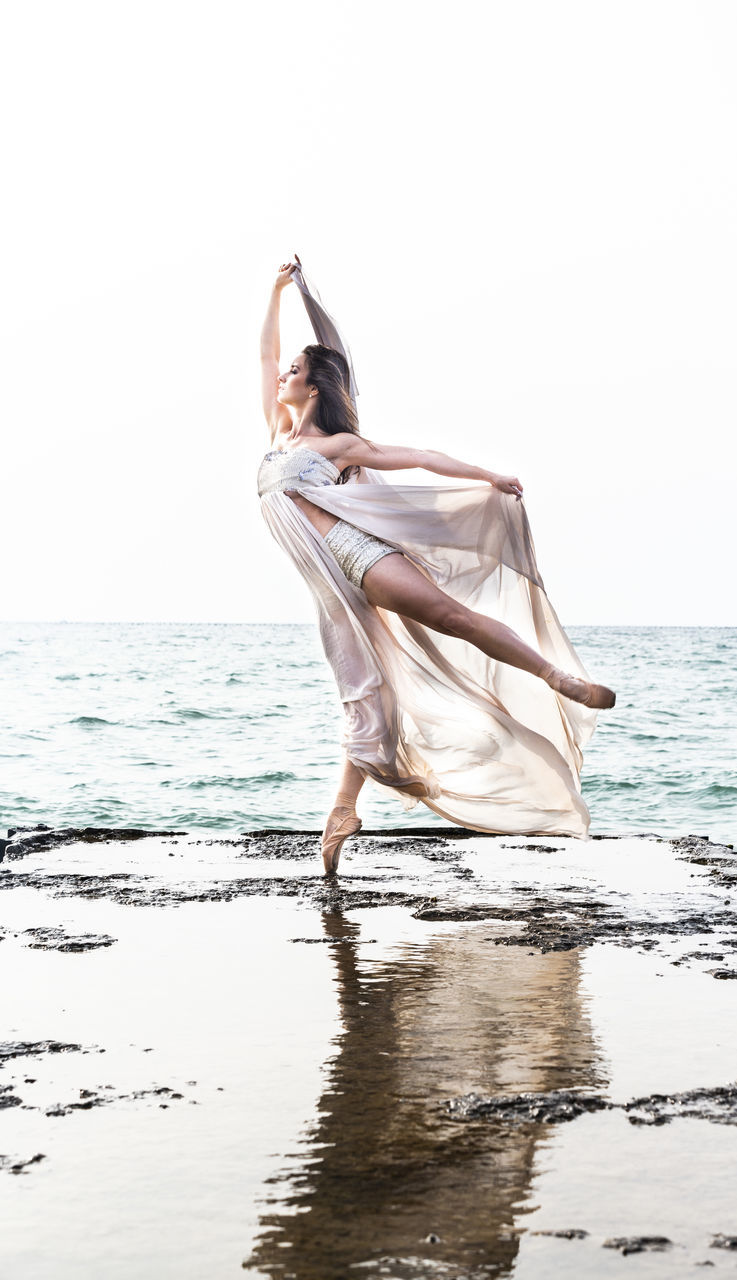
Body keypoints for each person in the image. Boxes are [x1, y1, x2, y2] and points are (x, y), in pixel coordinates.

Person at [258, 257, 615, 873]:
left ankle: (558, 679)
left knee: (451, 616)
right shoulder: (277, 434)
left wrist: (487, 474)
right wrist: (276, 292)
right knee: (367, 687)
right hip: (327, 585)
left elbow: (421, 456)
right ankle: (343, 809)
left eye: (295, 370)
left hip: (355, 554)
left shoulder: (337, 446)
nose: (282, 375)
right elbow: (264, 359)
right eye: (287, 368)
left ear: (312, 388)